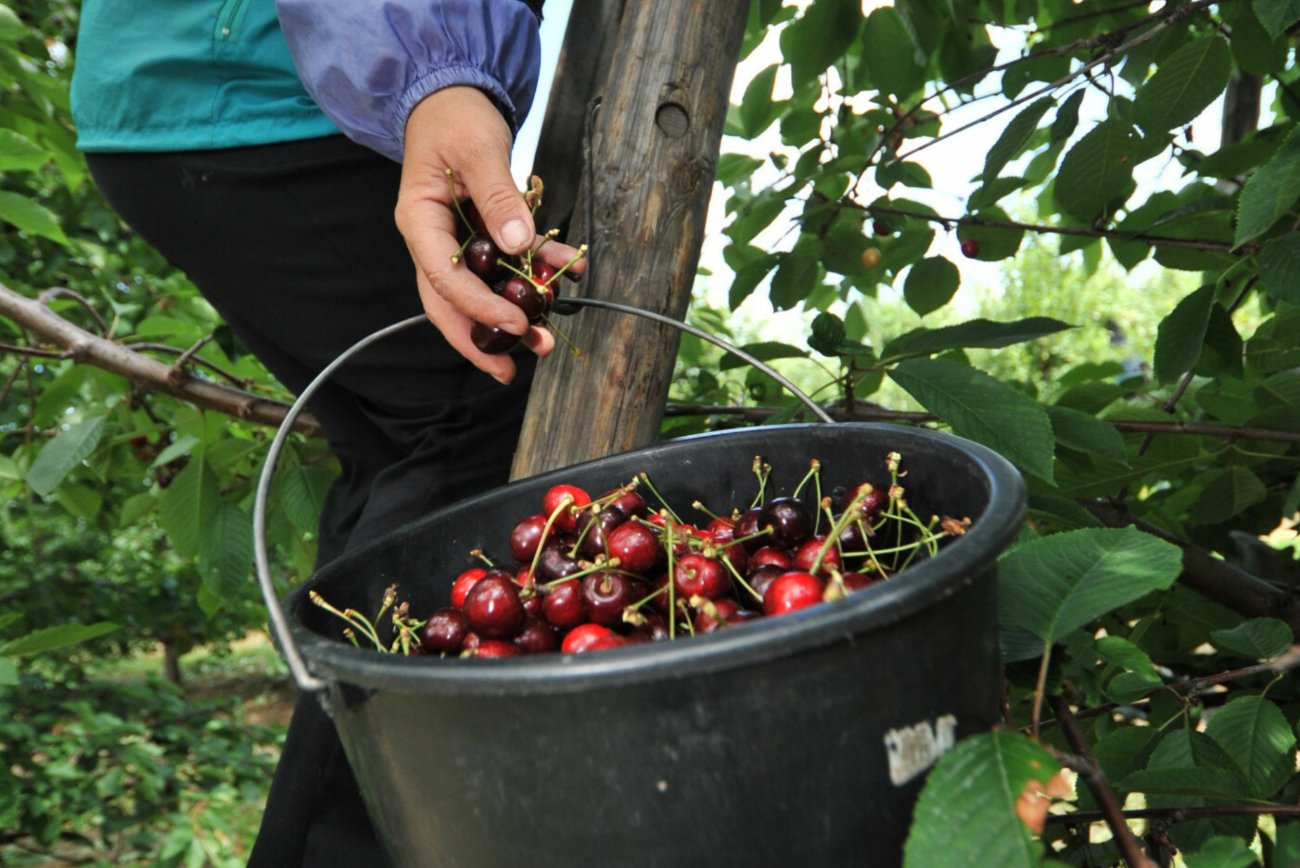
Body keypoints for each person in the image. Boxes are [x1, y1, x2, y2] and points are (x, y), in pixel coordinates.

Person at [70, 0, 580, 863]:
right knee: (476, 439)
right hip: (277, 93)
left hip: (179, 94)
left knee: (401, 451)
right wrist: (435, 72)